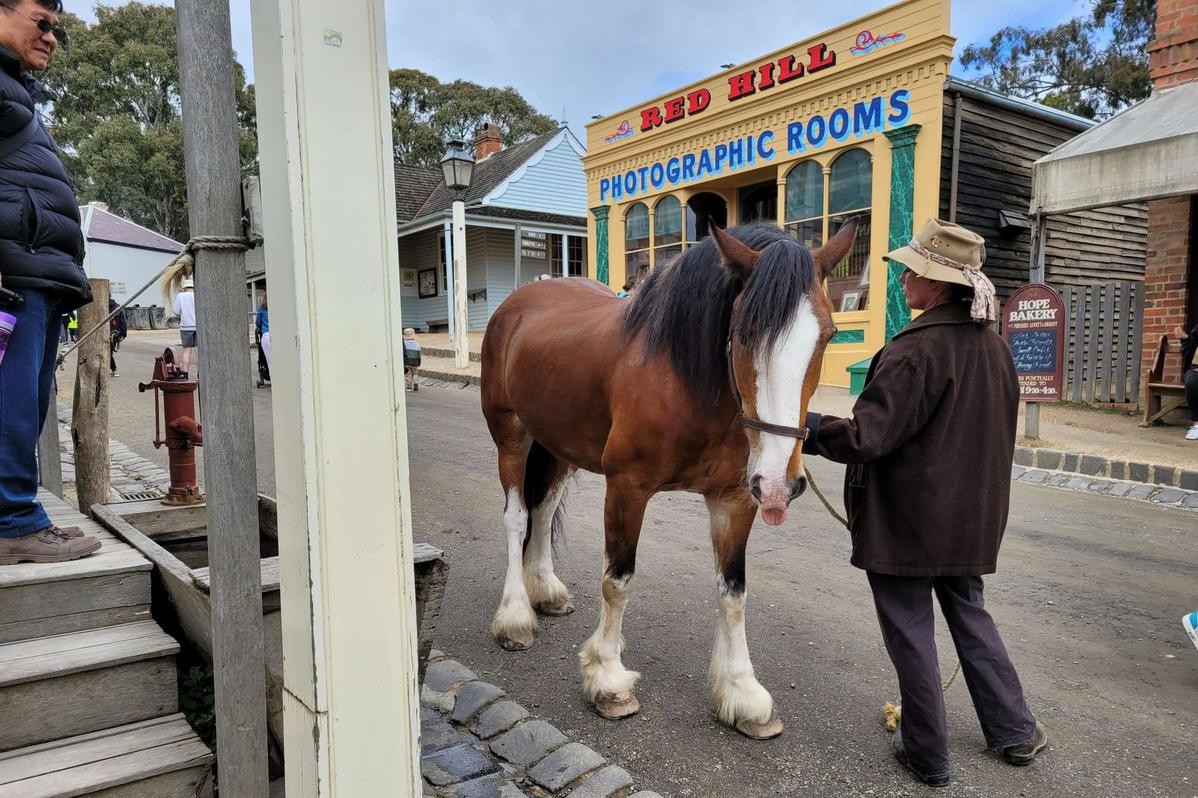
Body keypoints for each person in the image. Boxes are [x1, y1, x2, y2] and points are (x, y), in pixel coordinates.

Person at [803, 219, 1046, 787]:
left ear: (937, 283)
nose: (903, 277)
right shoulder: (993, 345)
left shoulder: (916, 350)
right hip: (971, 520)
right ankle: (1015, 731)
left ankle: (927, 754)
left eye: (912, 270)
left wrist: (803, 425)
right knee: (970, 617)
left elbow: (866, 438)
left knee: (911, 633)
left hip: (908, 522)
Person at [0, 0, 102, 564]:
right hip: (15, 272)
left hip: (35, 270)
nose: (51, 38)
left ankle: (15, 515)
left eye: (56, 29)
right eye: (41, 22)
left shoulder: (14, 88)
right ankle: (14, 521)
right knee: (12, 401)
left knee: (29, 398)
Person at [1173, 323, 1197, 441]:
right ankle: (1197, 425)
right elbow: (1188, 354)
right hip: (1196, 370)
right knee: (1192, 381)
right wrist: (1185, 338)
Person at [172, 276, 196, 378]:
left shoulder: (181, 296)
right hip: (198, 327)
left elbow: (176, 311)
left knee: (187, 351)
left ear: (184, 287)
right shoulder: (197, 295)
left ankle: (185, 373)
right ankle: (203, 373)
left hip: (186, 327)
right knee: (200, 351)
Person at [108, 297, 126, 377]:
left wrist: (123, 334)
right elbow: (123, 322)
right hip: (114, 335)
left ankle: (113, 368)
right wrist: (123, 334)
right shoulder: (118, 307)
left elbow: (122, 322)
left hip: (113, 335)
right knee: (109, 352)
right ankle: (112, 369)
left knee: (108, 353)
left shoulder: (116, 308)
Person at [255, 292, 270, 375]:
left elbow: (258, 322)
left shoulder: (262, 309)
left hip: (266, 335)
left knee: (269, 361)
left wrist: (262, 328)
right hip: (276, 335)